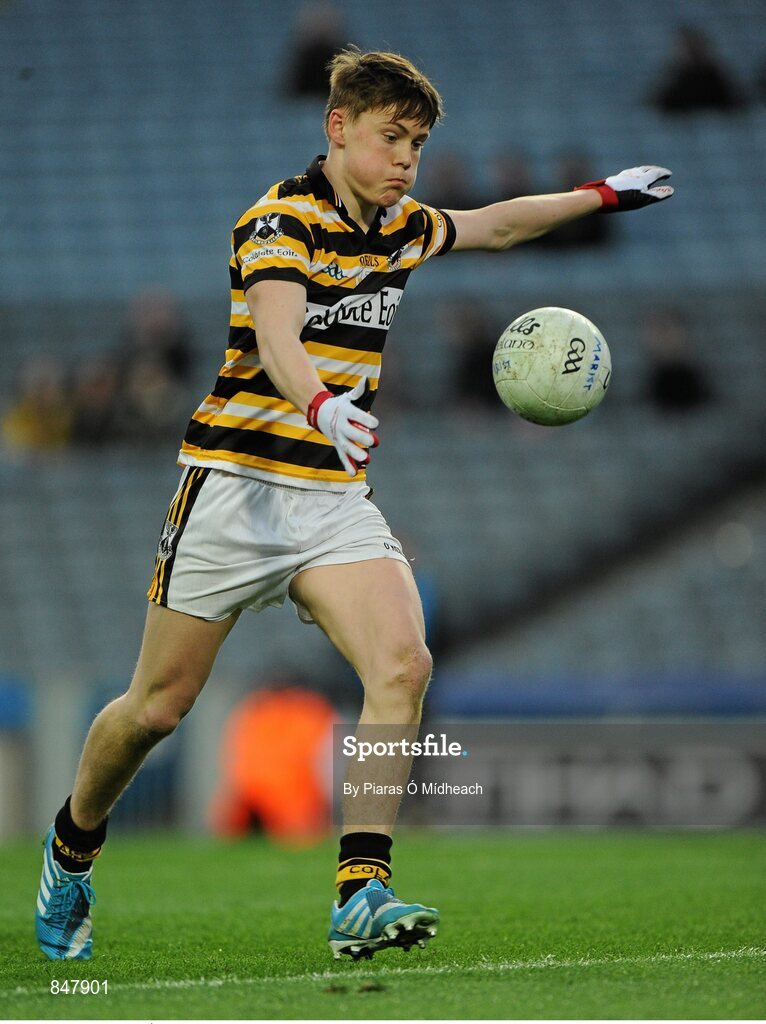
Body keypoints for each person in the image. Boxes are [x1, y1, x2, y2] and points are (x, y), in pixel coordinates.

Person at [35, 47, 673, 963]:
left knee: (404, 664)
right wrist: (323, 402)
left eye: (416, 143)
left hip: (330, 496)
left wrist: (601, 196)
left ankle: (359, 890)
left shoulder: (402, 225)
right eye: (391, 138)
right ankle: (73, 848)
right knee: (157, 708)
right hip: (234, 490)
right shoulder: (279, 219)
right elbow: (278, 330)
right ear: (338, 130)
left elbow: (494, 223)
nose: (407, 160)